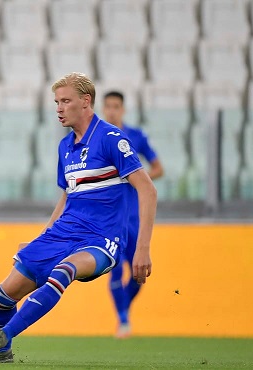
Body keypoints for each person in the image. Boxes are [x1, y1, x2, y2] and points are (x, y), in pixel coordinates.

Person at [0, 73, 157, 363]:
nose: (59, 108)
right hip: (63, 232)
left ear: (86, 102)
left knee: (63, 271)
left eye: (65, 101)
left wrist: (142, 249)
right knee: (4, 294)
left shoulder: (111, 139)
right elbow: (66, 197)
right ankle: (1, 354)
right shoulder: (65, 147)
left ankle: (3, 337)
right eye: (56, 102)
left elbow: (148, 190)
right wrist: (43, 237)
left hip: (102, 238)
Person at [102, 91, 164, 338]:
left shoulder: (136, 137)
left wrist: (137, 178)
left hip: (134, 216)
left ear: (123, 109)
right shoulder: (97, 138)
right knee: (114, 268)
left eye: (116, 106)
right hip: (111, 216)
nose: (112, 111)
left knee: (138, 273)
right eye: (108, 106)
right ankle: (123, 319)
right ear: (103, 109)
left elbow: (158, 168)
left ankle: (124, 308)